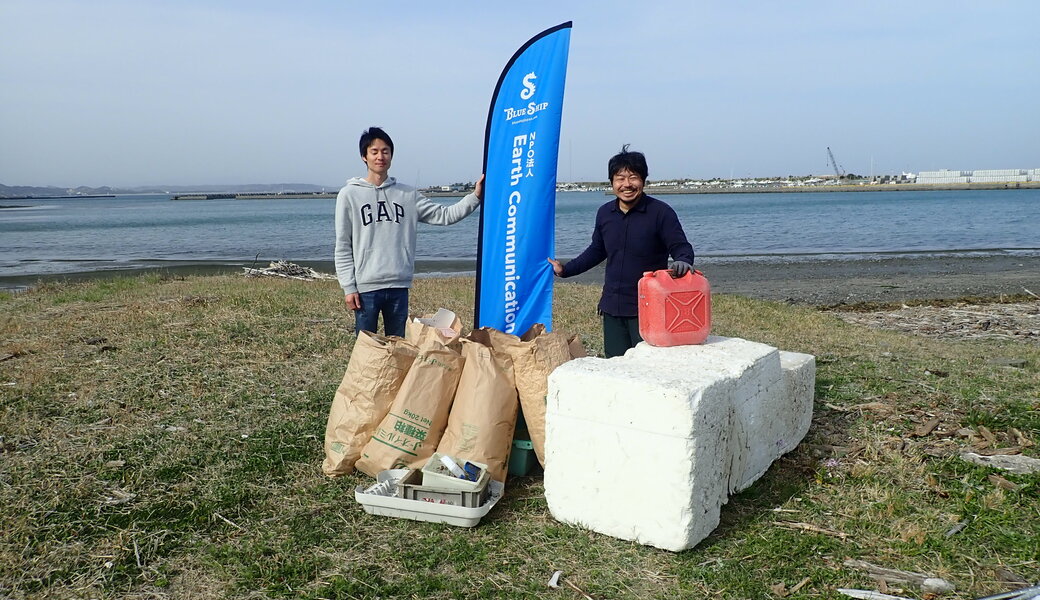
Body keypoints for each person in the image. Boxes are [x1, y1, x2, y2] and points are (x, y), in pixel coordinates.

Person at [335, 126, 484, 337]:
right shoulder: (349, 195)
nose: (380, 156)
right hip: (365, 288)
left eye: (385, 151)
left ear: (391, 155)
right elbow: (342, 245)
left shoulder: (407, 195)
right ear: (364, 157)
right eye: (374, 151)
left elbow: (444, 215)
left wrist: (475, 196)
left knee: (399, 348)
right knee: (366, 349)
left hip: (398, 285)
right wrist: (349, 287)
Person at [548, 145, 694, 358]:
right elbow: (597, 250)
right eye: (620, 178)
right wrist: (565, 269)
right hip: (612, 306)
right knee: (617, 366)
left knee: (650, 365)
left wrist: (684, 260)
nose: (627, 184)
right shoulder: (605, 213)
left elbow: (681, 246)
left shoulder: (661, 212)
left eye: (633, 177)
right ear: (612, 182)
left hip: (648, 307)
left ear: (643, 180)